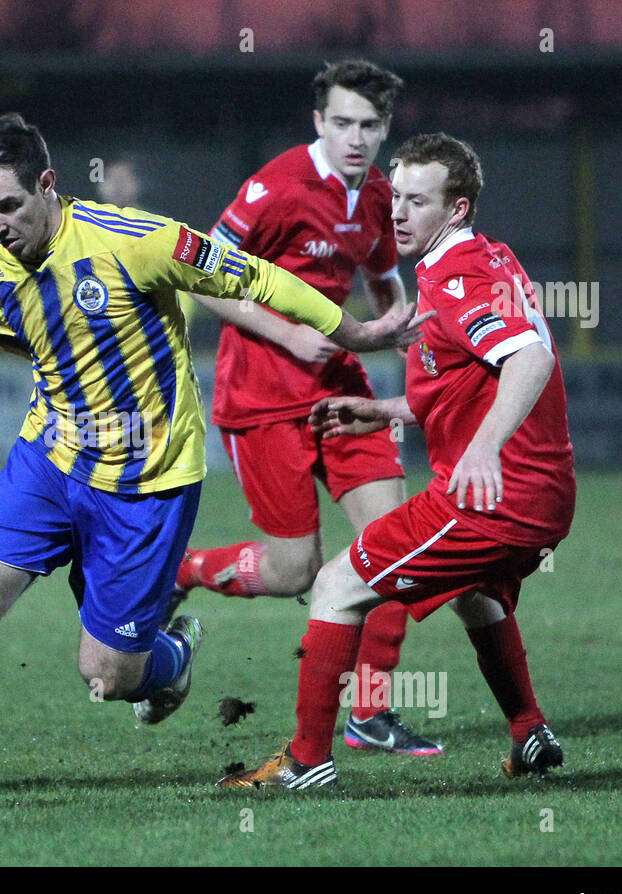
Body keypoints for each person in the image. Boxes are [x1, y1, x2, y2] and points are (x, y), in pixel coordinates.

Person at [0, 113, 424, 810]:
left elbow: (255, 279)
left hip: (147, 482)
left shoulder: (137, 242)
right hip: (48, 461)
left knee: (108, 675)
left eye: (10, 206)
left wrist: (350, 332)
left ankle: (171, 657)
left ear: (48, 184)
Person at [219, 132, 575, 791]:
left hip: (497, 497)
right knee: (476, 595)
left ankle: (305, 761)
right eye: (396, 199)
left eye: (418, 201)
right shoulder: (483, 259)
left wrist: (483, 449)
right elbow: (465, 381)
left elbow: (532, 359)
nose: (399, 215)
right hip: (543, 498)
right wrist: (387, 412)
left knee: (334, 586)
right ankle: (530, 733)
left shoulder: (460, 275)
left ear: (457, 209)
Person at [177, 60, 440, 756]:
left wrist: (410, 339)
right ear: (319, 121)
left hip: (339, 387)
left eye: (370, 126)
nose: (356, 138)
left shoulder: (381, 193)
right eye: (343, 122)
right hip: (261, 394)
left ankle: (370, 711)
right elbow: (199, 274)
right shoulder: (278, 186)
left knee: (397, 546)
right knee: (296, 569)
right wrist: (286, 330)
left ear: (385, 129)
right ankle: (186, 571)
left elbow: (387, 287)